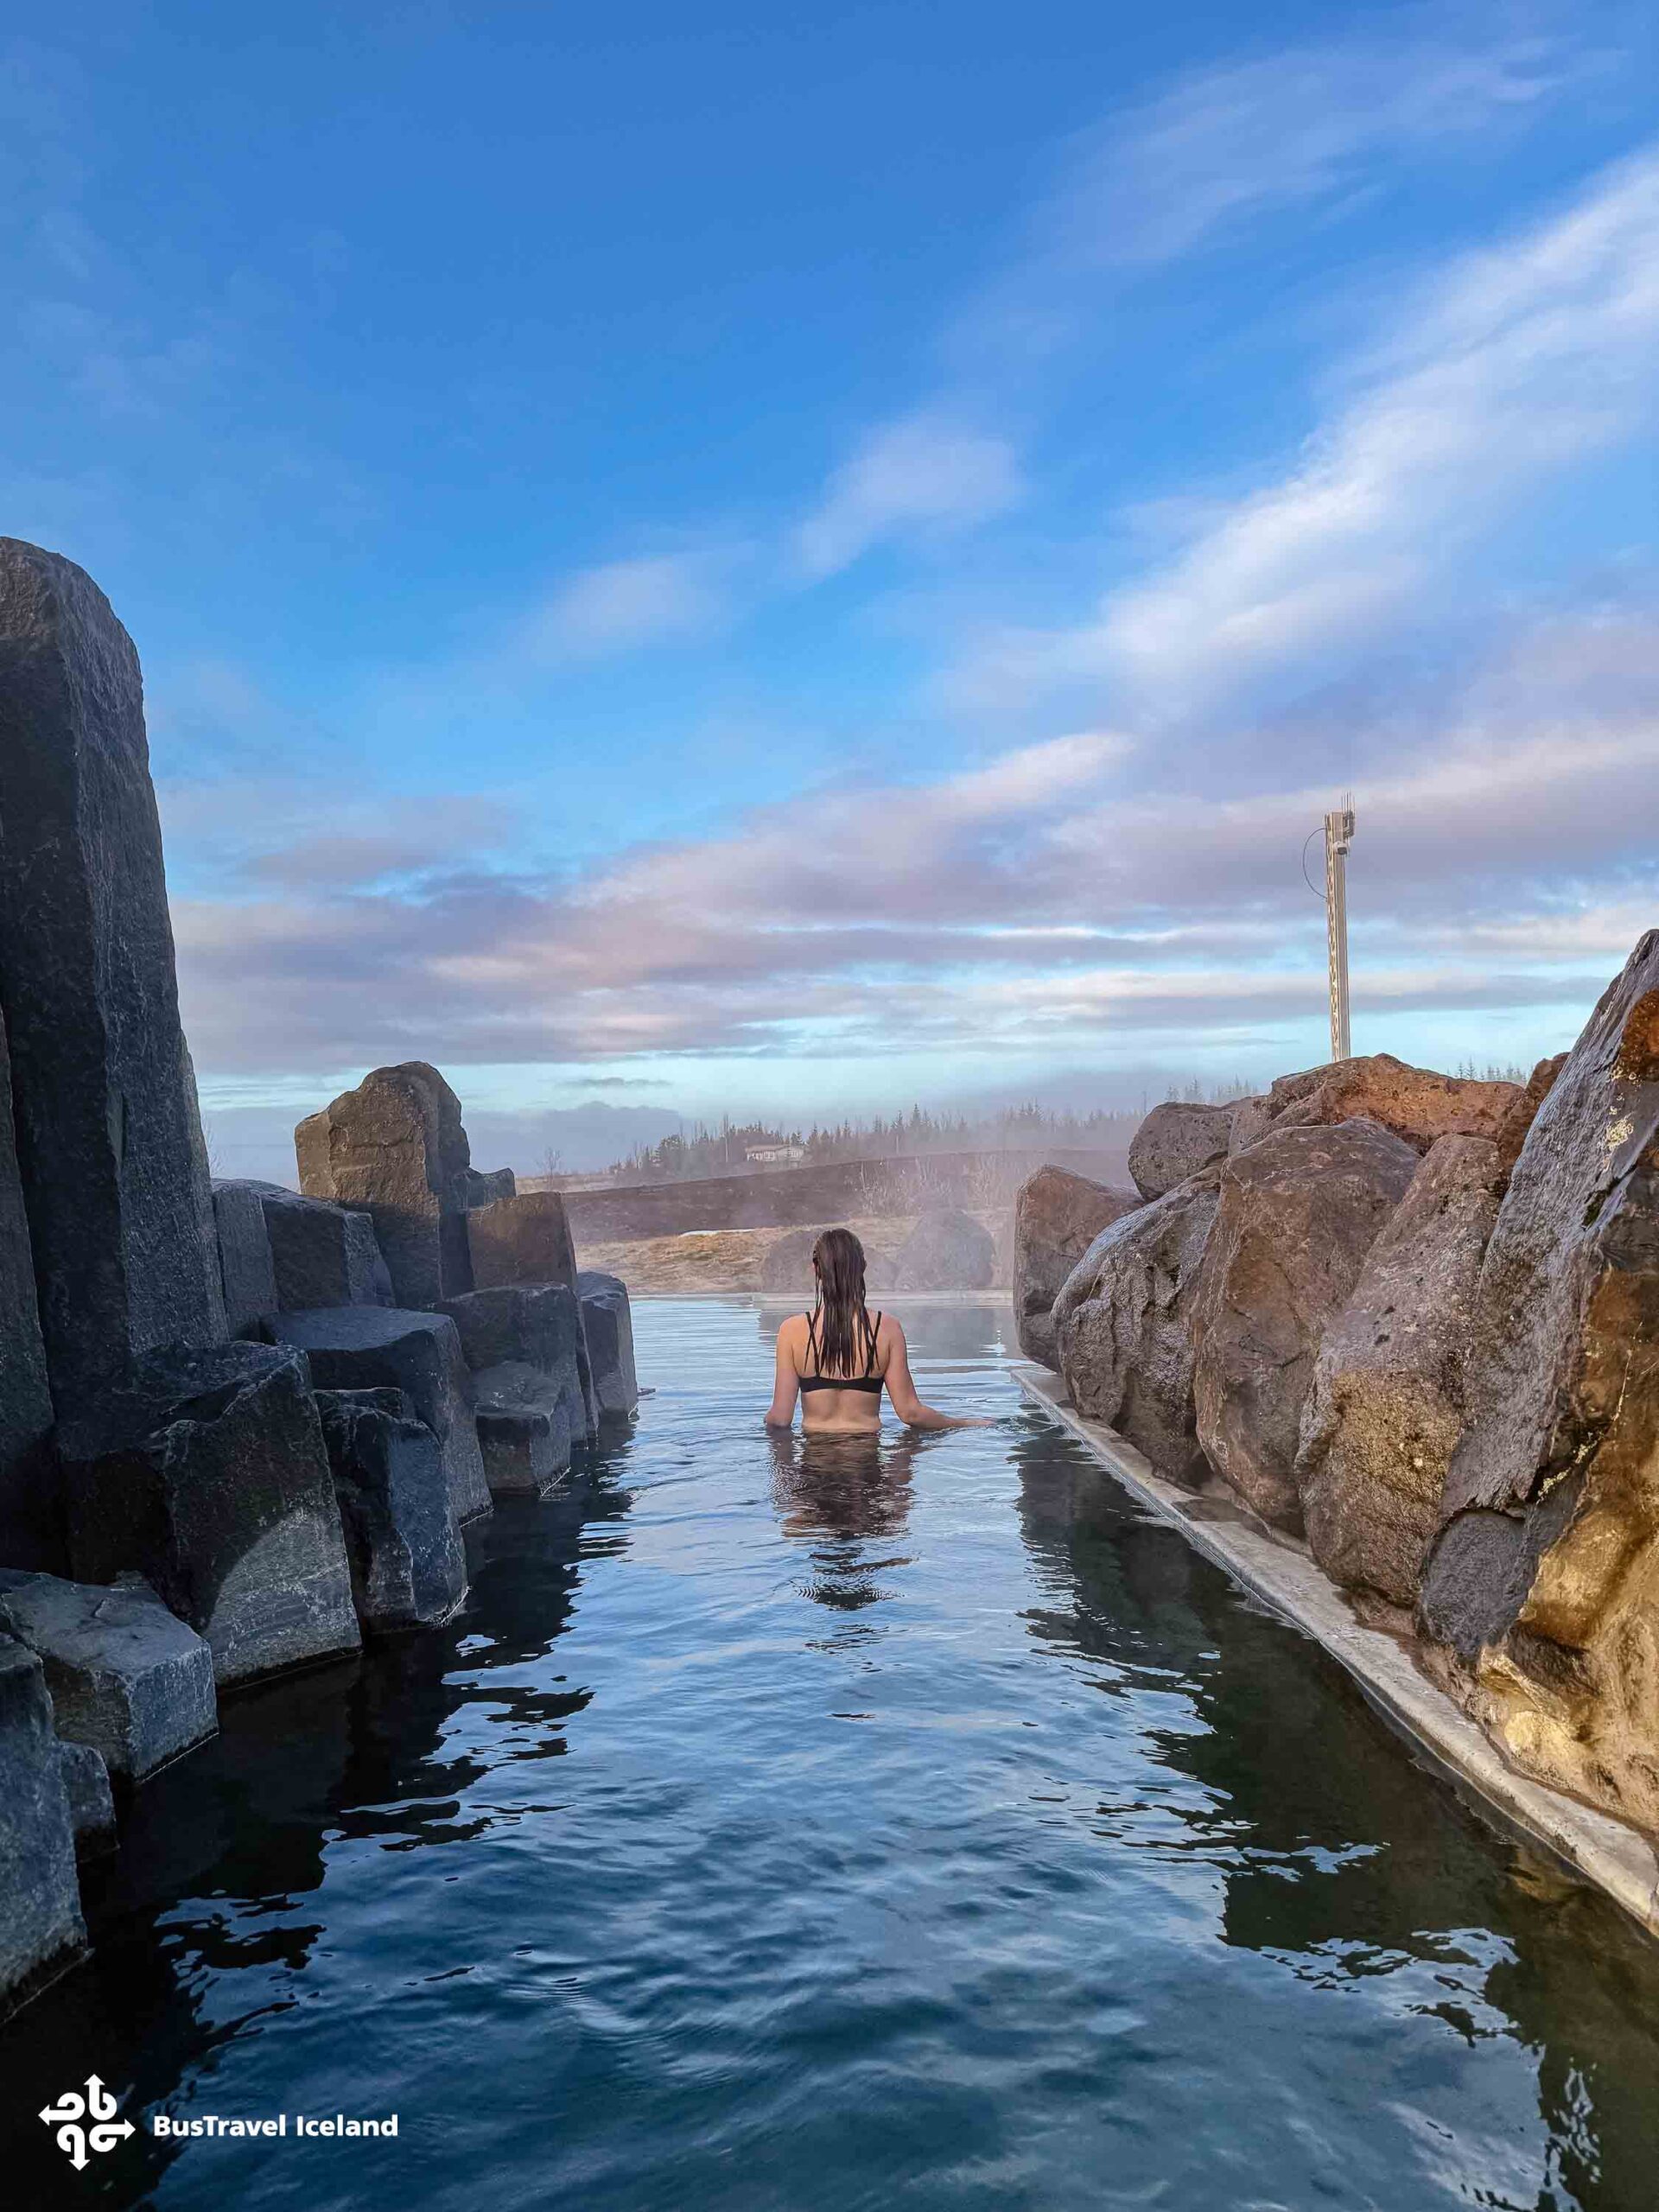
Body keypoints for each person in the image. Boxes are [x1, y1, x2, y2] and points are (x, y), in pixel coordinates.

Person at [764, 1226, 989, 1434]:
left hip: (813, 1468)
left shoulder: (792, 1331)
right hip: (867, 1468)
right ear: (863, 1266)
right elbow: (911, 1412)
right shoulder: (887, 1328)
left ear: (815, 1270)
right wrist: (962, 1423)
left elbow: (781, 1418)